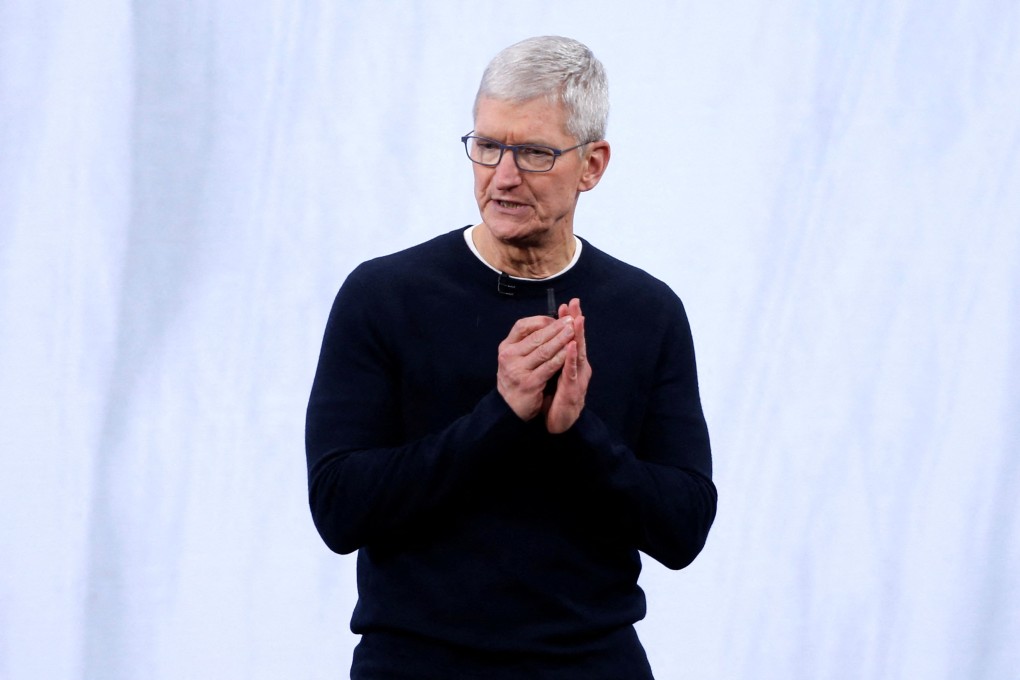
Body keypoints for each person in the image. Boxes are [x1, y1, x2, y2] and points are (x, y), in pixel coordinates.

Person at [305, 35, 716, 679]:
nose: (502, 175)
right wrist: (497, 416)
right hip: (417, 664)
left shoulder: (648, 311)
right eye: (488, 145)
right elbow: (338, 509)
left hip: (589, 665)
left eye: (534, 153)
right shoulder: (384, 296)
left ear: (593, 165)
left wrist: (578, 434)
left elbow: (683, 529)